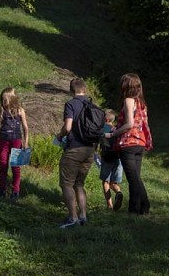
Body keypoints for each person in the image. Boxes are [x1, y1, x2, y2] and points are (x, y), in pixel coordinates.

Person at [104, 73, 151, 215]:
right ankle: (135, 209)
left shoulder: (129, 100)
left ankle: (145, 205)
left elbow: (129, 123)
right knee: (136, 177)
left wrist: (112, 134)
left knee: (133, 178)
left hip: (128, 143)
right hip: (140, 143)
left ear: (126, 86)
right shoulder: (142, 103)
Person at [56, 78, 96, 228]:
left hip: (74, 149)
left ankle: (72, 218)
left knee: (66, 183)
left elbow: (67, 127)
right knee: (79, 183)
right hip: (90, 150)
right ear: (85, 90)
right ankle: (83, 216)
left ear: (71, 90)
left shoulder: (71, 104)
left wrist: (60, 136)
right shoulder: (92, 105)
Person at [99, 109, 124, 211]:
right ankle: (118, 192)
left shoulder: (101, 129)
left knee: (105, 182)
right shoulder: (116, 130)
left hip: (107, 158)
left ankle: (110, 206)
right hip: (118, 158)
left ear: (104, 118)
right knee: (114, 183)